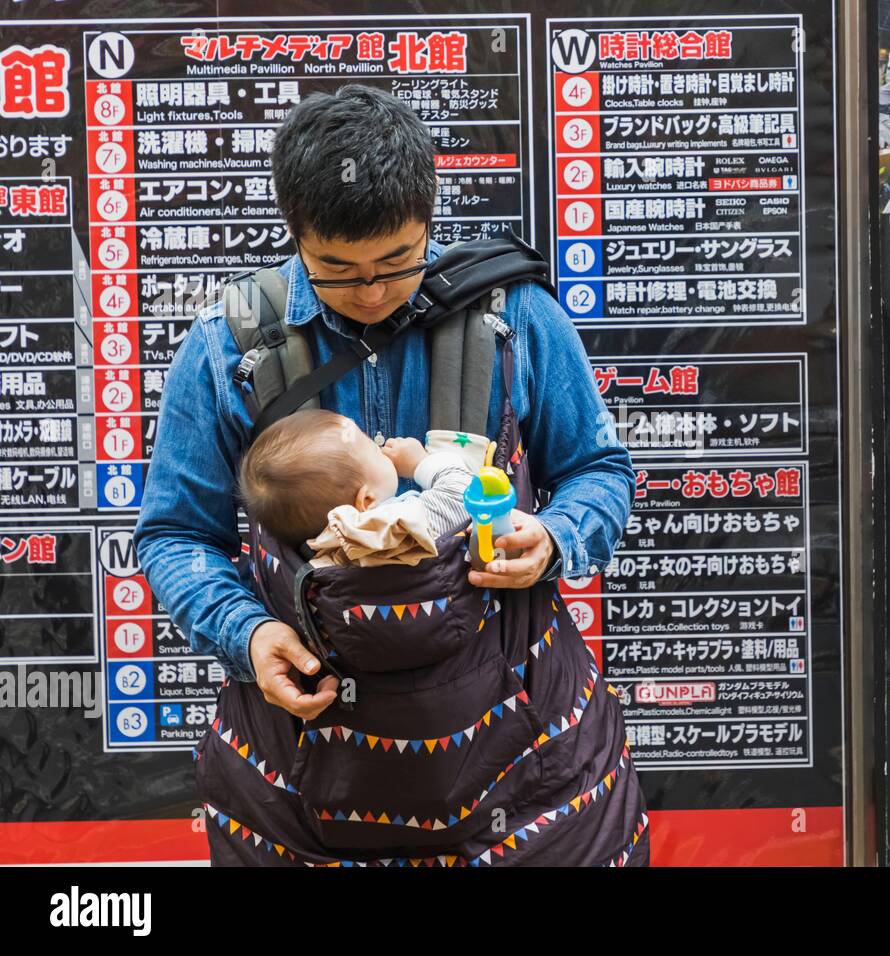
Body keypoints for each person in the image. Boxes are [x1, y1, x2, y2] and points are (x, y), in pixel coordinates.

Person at [133, 84, 649, 865]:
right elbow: (175, 533)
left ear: (430, 219)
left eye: (397, 262)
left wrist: (553, 538)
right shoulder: (227, 347)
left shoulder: (514, 315)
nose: (371, 293)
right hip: (303, 771)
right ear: (294, 233)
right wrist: (250, 634)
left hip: (526, 769)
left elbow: (599, 471)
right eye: (336, 269)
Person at [237, 407, 488, 564]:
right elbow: (463, 496)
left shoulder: (326, 554)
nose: (382, 448)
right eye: (373, 448)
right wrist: (421, 463)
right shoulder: (389, 529)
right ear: (366, 501)